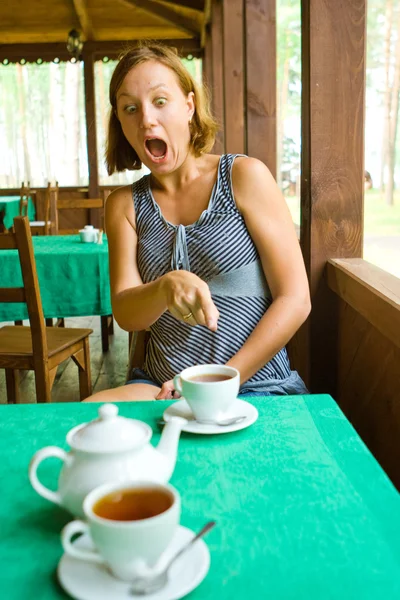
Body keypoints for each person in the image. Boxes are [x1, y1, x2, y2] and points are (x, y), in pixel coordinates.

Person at [85, 42, 311, 403]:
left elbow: (296, 299)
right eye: (130, 109)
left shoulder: (244, 176)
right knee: (82, 423)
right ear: (122, 124)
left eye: (160, 101)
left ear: (188, 106)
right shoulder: (124, 205)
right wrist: (164, 287)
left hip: (254, 386)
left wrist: (221, 382)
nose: (146, 118)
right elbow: (127, 314)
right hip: (161, 387)